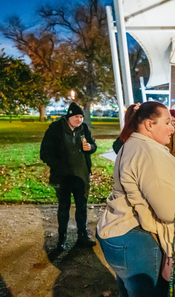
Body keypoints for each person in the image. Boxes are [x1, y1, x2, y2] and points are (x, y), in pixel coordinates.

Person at [96, 101, 175, 296]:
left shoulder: (133, 144)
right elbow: (169, 210)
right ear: (149, 125)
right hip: (137, 242)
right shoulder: (149, 152)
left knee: (127, 291)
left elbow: (148, 183)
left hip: (118, 234)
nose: (172, 127)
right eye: (167, 122)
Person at [40, 102, 97, 250]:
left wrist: (90, 147)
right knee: (64, 207)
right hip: (63, 178)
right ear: (69, 116)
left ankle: (82, 236)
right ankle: (62, 239)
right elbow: (45, 153)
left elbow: (93, 145)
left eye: (81, 117)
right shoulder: (56, 129)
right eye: (77, 117)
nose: (80, 120)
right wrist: (59, 166)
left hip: (81, 176)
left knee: (82, 207)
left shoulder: (84, 129)